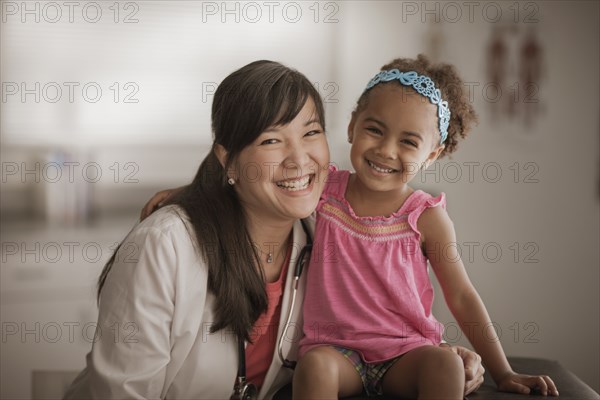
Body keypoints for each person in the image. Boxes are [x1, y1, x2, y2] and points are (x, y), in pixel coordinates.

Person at [130, 60, 485, 400]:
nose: (298, 161)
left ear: (433, 153)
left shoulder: (322, 217)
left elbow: (379, 304)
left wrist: (435, 353)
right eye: (271, 140)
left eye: (311, 132)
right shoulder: (166, 244)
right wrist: (193, 194)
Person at [290, 55, 559, 399]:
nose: (386, 150)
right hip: (337, 352)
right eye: (374, 129)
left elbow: (461, 296)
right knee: (314, 367)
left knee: (445, 364)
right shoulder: (325, 191)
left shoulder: (426, 217)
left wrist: (503, 371)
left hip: (405, 355)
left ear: (432, 155)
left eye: (408, 142)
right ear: (352, 125)